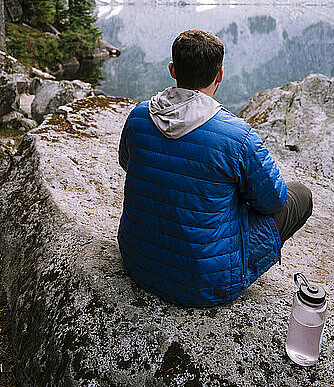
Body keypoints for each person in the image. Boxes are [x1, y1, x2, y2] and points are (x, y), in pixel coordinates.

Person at [117, 29, 312, 308]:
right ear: (219, 75)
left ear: (173, 70)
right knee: (299, 195)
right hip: (206, 282)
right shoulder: (238, 136)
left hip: (138, 262)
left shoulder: (138, 116)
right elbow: (274, 201)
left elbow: (128, 163)